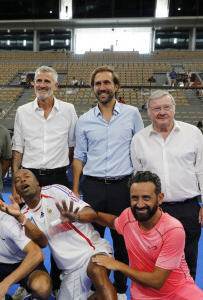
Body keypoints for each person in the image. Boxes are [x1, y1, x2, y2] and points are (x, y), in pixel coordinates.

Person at [73, 65, 144, 299]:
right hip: (92, 186)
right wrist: (75, 192)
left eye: (106, 83)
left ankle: (121, 289)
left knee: (123, 239)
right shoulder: (83, 120)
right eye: (97, 84)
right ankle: (95, 286)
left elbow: (140, 150)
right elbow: (79, 157)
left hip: (122, 187)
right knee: (91, 239)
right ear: (93, 88)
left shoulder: (132, 114)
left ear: (116, 86)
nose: (102, 87)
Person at [0, 169, 116, 300]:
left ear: (36, 182)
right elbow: (42, 243)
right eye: (17, 181)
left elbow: (91, 213)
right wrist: (20, 217)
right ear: (17, 190)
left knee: (97, 272)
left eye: (26, 177)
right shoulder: (24, 215)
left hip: (91, 251)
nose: (22, 180)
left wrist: (76, 216)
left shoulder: (55, 191)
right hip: (70, 270)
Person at [12, 65, 77, 297]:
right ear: (33, 84)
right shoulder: (22, 111)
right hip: (29, 176)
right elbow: (17, 150)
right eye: (38, 80)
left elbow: (72, 147)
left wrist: (58, 171)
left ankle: (58, 282)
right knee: (26, 230)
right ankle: (26, 279)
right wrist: (15, 184)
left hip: (58, 176)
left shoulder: (69, 110)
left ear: (56, 85)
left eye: (47, 81)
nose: (42, 85)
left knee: (60, 230)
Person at [89, 171, 203, 299]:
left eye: (146, 198)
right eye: (135, 198)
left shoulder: (173, 229)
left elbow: (157, 281)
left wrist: (118, 265)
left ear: (160, 198)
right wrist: (87, 215)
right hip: (142, 296)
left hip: (179, 293)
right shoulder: (128, 216)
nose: (140, 204)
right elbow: (113, 222)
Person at [131, 90, 203, 280]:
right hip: (154, 211)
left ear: (173, 109)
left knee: (188, 261)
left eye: (166, 107)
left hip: (188, 208)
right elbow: (137, 178)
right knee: (154, 261)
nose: (162, 112)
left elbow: (201, 170)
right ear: (149, 113)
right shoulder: (138, 139)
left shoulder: (193, 134)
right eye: (156, 109)